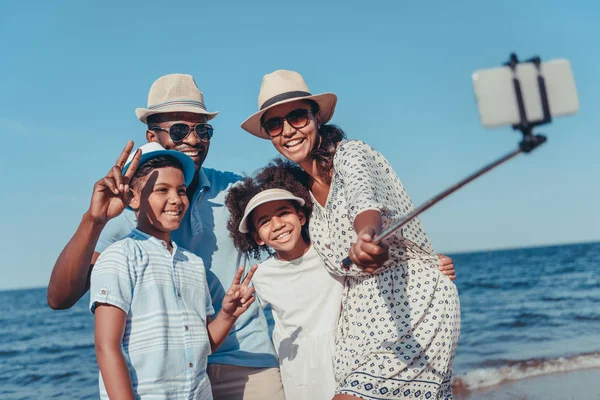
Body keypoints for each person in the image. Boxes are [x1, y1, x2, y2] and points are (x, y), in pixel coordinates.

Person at [47, 74, 285, 400]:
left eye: (203, 130)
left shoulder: (235, 189)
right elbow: (60, 298)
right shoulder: (125, 211)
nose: (194, 139)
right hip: (165, 376)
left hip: (246, 360)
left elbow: (291, 226)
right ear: (151, 135)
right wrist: (94, 220)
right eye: (179, 129)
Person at [240, 70, 461, 399]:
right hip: (357, 322)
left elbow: (366, 208)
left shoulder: (351, 155)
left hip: (411, 304)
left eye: (297, 116)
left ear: (317, 118)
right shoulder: (300, 194)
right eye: (275, 124)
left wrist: (367, 238)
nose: (288, 131)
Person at [91, 142, 257, 399]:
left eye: (181, 190)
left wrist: (227, 315)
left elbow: (202, 347)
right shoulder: (119, 256)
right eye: (162, 190)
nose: (176, 200)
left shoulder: (193, 264)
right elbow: (106, 347)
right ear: (133, 198)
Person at [225, 159, 343, 400]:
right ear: (257, 237)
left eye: (283, 213)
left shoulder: (330, 250)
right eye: (265, 222)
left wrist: (430, 262)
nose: (277, 225)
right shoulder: (261, 275)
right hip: (298, 368)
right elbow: (244, 318)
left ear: (301, 217)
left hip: (344, 353)